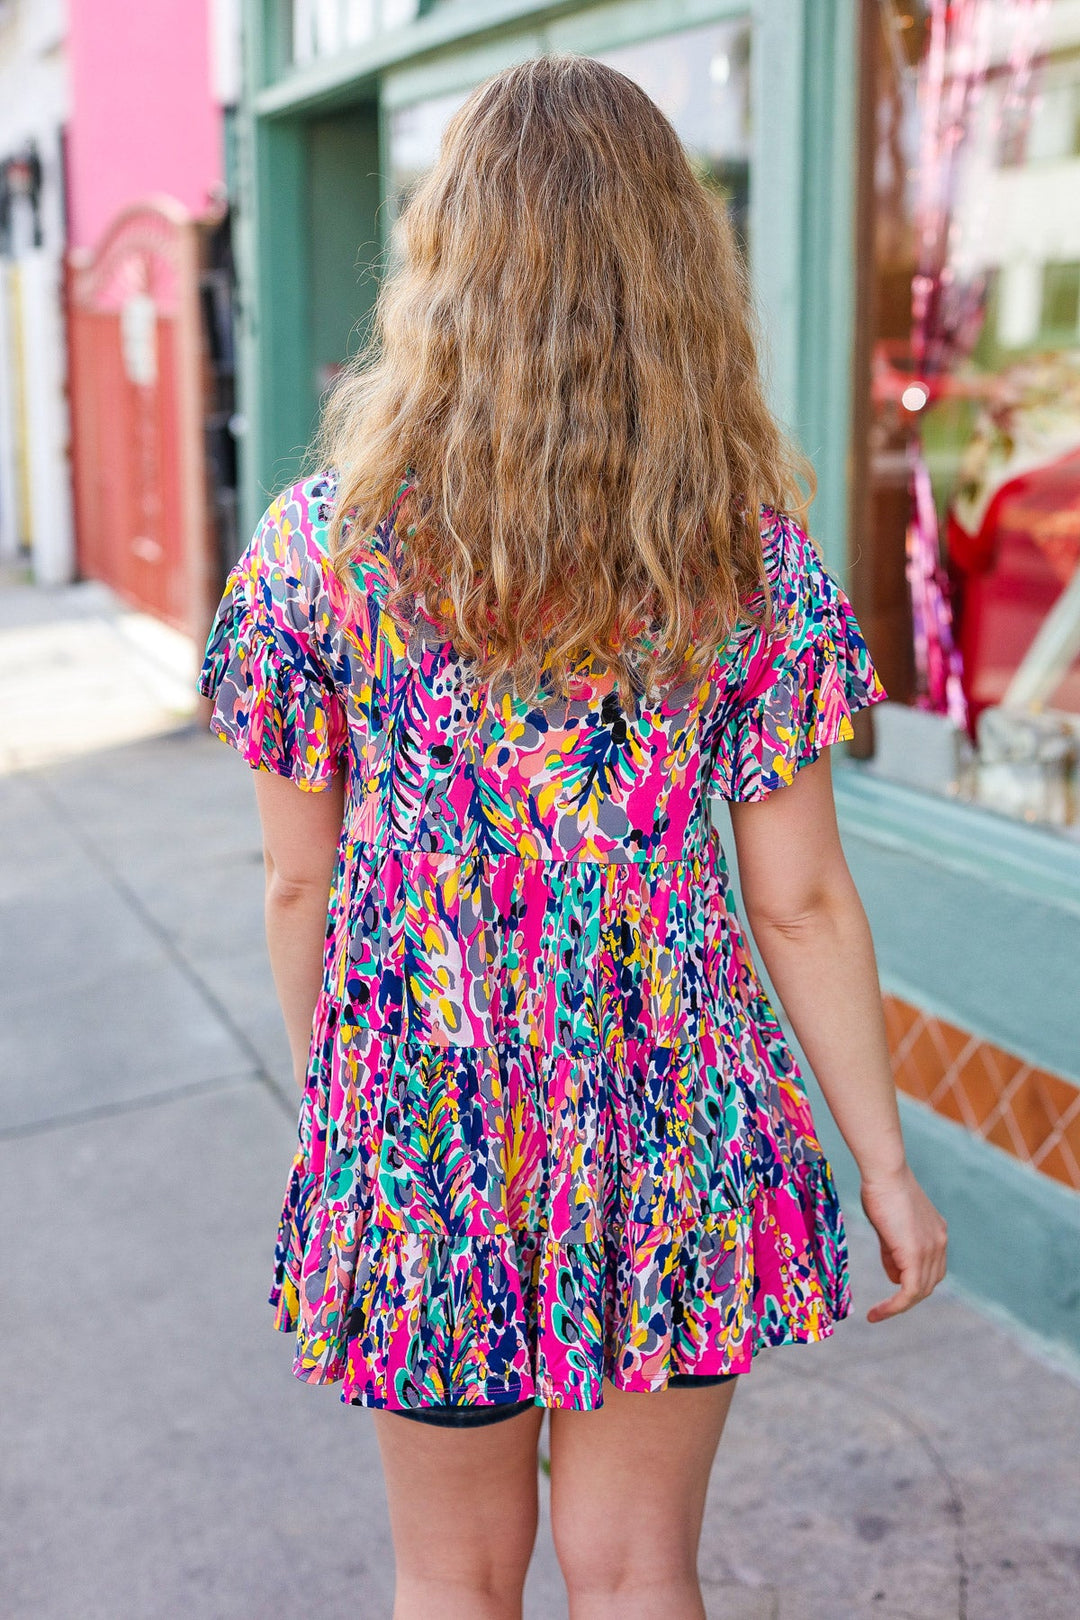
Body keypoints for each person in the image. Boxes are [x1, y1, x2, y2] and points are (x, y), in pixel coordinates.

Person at [198, 53, 947, 1620]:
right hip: (677, 1122)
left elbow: (296, 880)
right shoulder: (742, 560)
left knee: (451, 1580)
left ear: (444, 265)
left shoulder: (318, 551)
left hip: (426, 1127)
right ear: (677, 274)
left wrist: (342, 1114)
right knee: (634, 1574)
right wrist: (884, 1163)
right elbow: (800, 900)